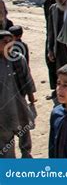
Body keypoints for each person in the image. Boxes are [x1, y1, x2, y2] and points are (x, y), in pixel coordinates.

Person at [0, 30, 36, 159]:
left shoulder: (19, 59)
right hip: (3, 110)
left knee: (24, 132)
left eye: (11, 42)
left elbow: (28, 80)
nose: (9, 45)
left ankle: (26, 155)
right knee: (5, 140)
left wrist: (32, 102)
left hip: (19, 105)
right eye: (5, 42)